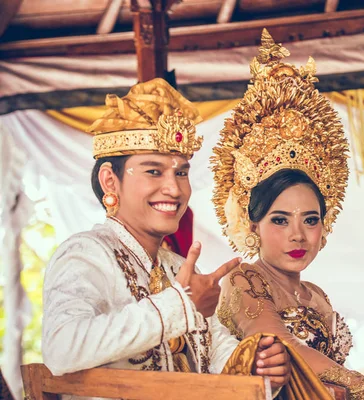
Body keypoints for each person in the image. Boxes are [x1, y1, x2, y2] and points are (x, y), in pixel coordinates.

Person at [41, 78, 290, 398]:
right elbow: (62, 348)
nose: (175, 189)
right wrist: (180, 306)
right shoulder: (86, 254)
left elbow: (216, 357)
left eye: (181, 173)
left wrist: (254, 365)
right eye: (154, 171)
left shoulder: (179, 267)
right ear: (109, 181)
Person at [212, 29, 364, 400]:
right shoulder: (245, 281)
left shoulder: (316, 295)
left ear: (325, 224)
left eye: (310, 219)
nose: (297, 234)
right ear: (253, 223)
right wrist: (362, 387)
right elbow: (280, 342)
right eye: (279, 219)